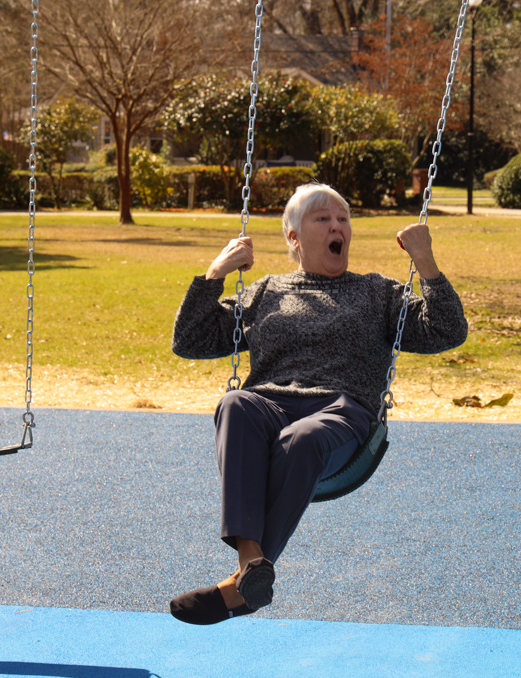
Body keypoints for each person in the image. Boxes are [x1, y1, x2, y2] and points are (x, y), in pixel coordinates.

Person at [168, 182, 468, 625]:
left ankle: (240, 584)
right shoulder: (265, 292)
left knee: (302, 437)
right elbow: (189, 341)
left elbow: (446, 331)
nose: (337, 226)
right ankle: (250, 567)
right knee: (235, 402)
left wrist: (425, 262)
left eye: (343, 219)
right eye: (323, 219)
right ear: (294, 237)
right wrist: (214, 274)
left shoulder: (377, 293)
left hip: (341, 414)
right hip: (267, 408)